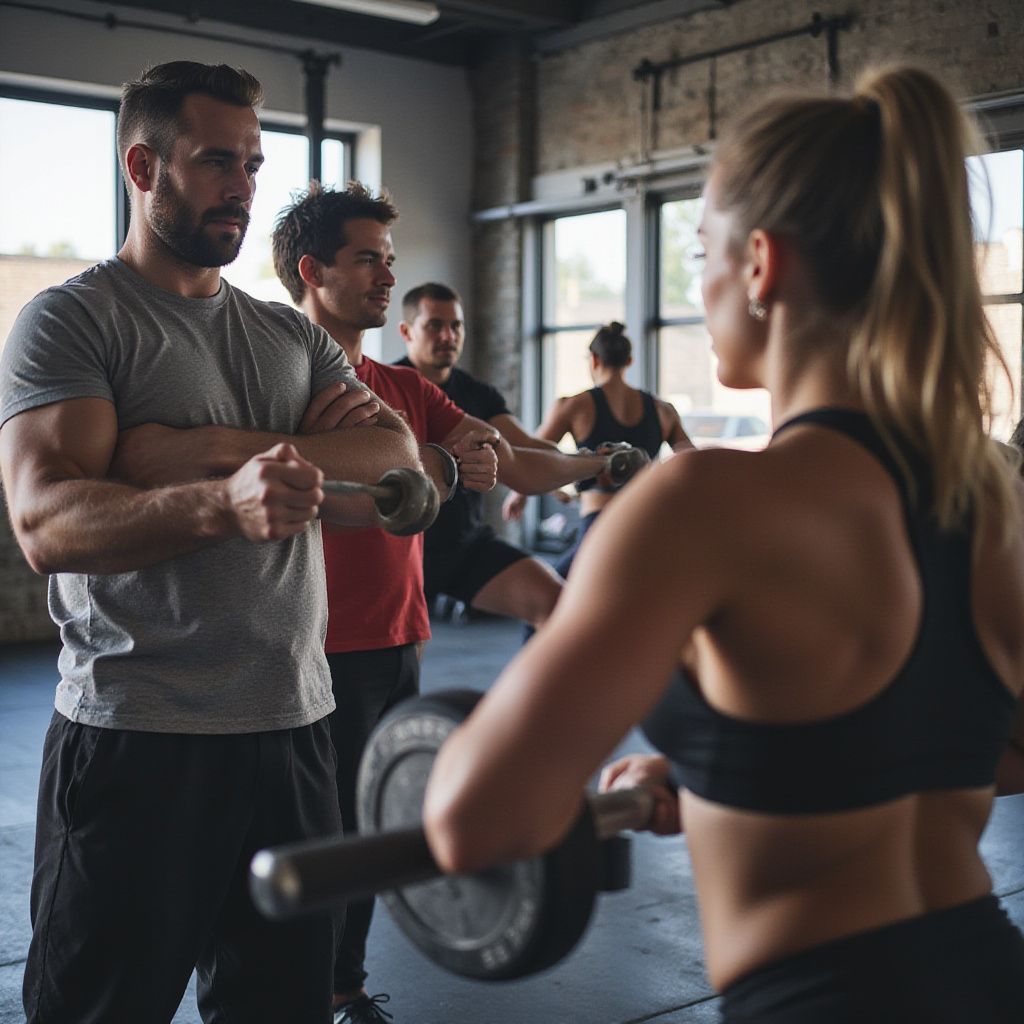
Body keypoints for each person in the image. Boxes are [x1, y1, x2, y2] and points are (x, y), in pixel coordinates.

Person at [422, 64, 1024, 1023]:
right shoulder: (987, 494)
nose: (697, 285)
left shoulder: (702, 501)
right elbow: (991, 749)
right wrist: (730, 767)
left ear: (759, 264)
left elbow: (471, 821)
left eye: (699, 249)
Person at [0, 62, 423, 1024]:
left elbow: (396, 474)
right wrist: (219, 505)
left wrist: (205, 453)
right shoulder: (74, 321)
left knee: (283, 1011)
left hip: (293, 731)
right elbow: (45, 522)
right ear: (144, 166)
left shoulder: (288, 336)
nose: (245, 185)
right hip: (138, 739)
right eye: (217, 161)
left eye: (254, 162)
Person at [270, 182, 630, 1023]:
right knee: (313, 837)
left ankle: (345, 987)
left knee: (376, 824)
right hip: (310, 646)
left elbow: (515, 456)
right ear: (312, 270)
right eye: (369, 259)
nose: (386, 276)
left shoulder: (405, 387)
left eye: (390, 261)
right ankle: (287, 996)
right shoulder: (273, 377)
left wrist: (601, 462)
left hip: (400, 635)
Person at [398, 282, 611, 631]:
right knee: (403, 672)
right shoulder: (389, 386)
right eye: (434, 325)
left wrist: (587, 462)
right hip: (401, 552)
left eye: (456, 326)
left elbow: (525, 446)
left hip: (464, 547)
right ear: (407, 332)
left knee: (560, 608)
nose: (448, 335)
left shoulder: (478, 393)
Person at [504, 320, 692, 583]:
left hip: (600, 527)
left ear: (593, 360)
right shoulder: (664, 411)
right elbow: (692, 463)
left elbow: (532, 454)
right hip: (650, 524)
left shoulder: (574, 406)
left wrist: (518, 494)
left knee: (546, 604)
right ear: (629, 361)